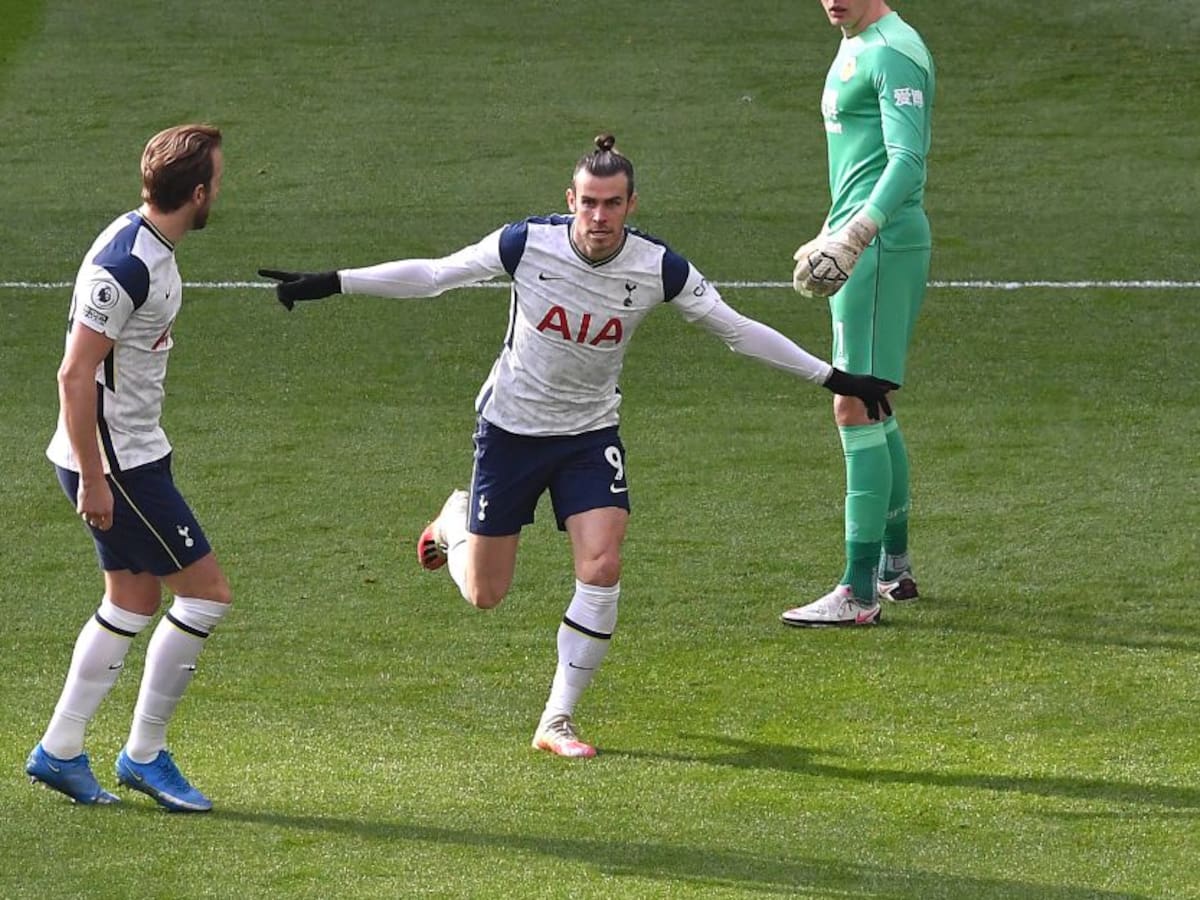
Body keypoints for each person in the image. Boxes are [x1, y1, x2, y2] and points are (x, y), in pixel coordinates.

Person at [259, 134, 897, 757]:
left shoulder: (659, 268)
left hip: (590, 436)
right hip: (510, 433)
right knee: (486, 594)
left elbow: (738, 331)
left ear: (631, 205)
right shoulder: (525, 243)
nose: (598, 216)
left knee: (602, 565)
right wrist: (330, 281)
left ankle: (556, 719)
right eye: (588, 202)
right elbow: (433, 275)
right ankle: (455, 521)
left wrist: (835, 378)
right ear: (571, 199)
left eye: (612, 204)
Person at [26, 124, 229, 811]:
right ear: (197, 193)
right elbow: (73, 374)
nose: (218, 194)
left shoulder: (144, 240)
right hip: (118, 465)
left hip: (136, 449)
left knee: (132, 600)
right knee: (204, 596)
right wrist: (93, 476)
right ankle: (143, 755)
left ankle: (59, 749)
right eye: (217, 184)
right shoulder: (127, 266)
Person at [782, 0, 935, 627]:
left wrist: (856, 235)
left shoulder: (893, 50)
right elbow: (860, 164)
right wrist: (828, 232)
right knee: (873, 401)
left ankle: (857, 592)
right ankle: (892, 569)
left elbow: (906, 159)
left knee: (852, 400)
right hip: (863, 245)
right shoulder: (855, 40)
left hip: (880, 247)